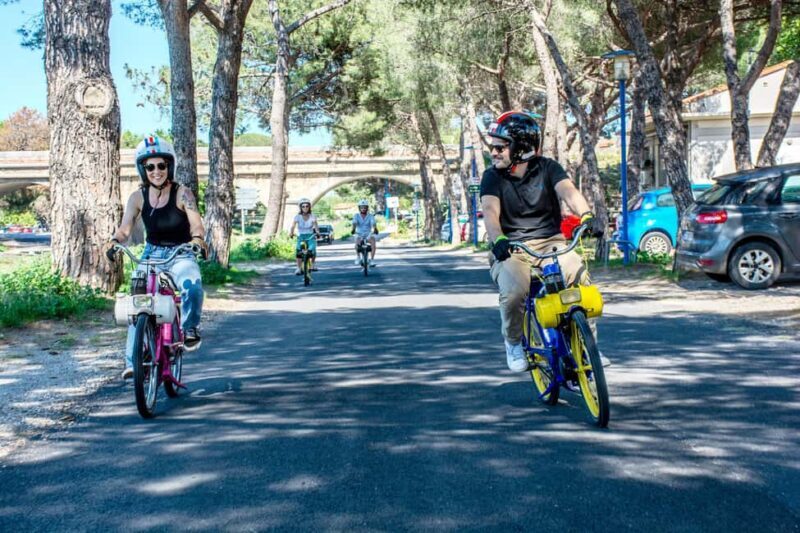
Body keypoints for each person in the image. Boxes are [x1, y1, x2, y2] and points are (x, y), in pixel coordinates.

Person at [480, 111, 603, 373]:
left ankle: (589, 346)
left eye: (500, 146)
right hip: (512, 248)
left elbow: (569, 192)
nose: (494, 151)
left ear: (521, 149)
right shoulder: (492, 177)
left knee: (579, 277)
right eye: (493, 146)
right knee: (514, 291)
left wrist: (587, 216)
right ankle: (513, 343)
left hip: (551, 243)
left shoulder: (548, 168)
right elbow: (490, 212)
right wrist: (498, 239)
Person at [104, 136, 208, 380]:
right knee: (137, 302)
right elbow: (125, 228)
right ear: (143, 169)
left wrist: (197, 241)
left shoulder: (183, 194)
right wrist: (115, 241)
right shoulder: (137, 197)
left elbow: (197, 225)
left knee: (191, 286)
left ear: (169, 166)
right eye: (150, 167)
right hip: (151, 254)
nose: (156, 171)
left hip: (180, 252)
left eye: (161, 165)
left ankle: (190, 326)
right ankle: (133, 361)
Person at [289, 197, 320, 275]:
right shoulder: (297, 217)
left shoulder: (313, 216)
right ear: (300, 207)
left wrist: (317, 232)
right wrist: (291, 233)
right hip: (301, 236)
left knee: (312, 250)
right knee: (299, 251)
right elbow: (293, 226)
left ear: (309, 207)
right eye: (303, 206)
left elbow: (316, 226)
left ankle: (313, 264)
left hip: (310, 236)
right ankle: (299, 268)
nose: (305, 208)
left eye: (307, 206)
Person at [351, 199, 378, 267]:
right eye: (362, 207)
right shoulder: (356, 215)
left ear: (367, 208)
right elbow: (354, 222)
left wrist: (375, 228)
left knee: (373, 241)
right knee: (357, 242)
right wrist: (353, 229)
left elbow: (373, 223)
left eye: (365, 207)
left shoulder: (370, 216)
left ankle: (372, 260)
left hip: (368, 234)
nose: (363, 209)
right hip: (359, 234)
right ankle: (358, 257)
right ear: (359, 208)